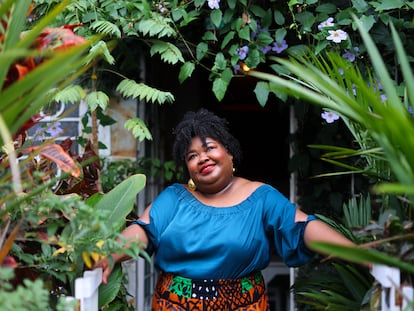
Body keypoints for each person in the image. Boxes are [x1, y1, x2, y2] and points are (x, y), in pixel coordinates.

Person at [94, 108, 356, 311]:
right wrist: (110, 254)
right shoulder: (174, 198)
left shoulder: (261, 197)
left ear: (230, 153)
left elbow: (303, 227)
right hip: (174, 304)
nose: (202, 158)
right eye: (192, 156)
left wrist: (353, 252)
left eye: (209, 148)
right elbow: (143, 231)